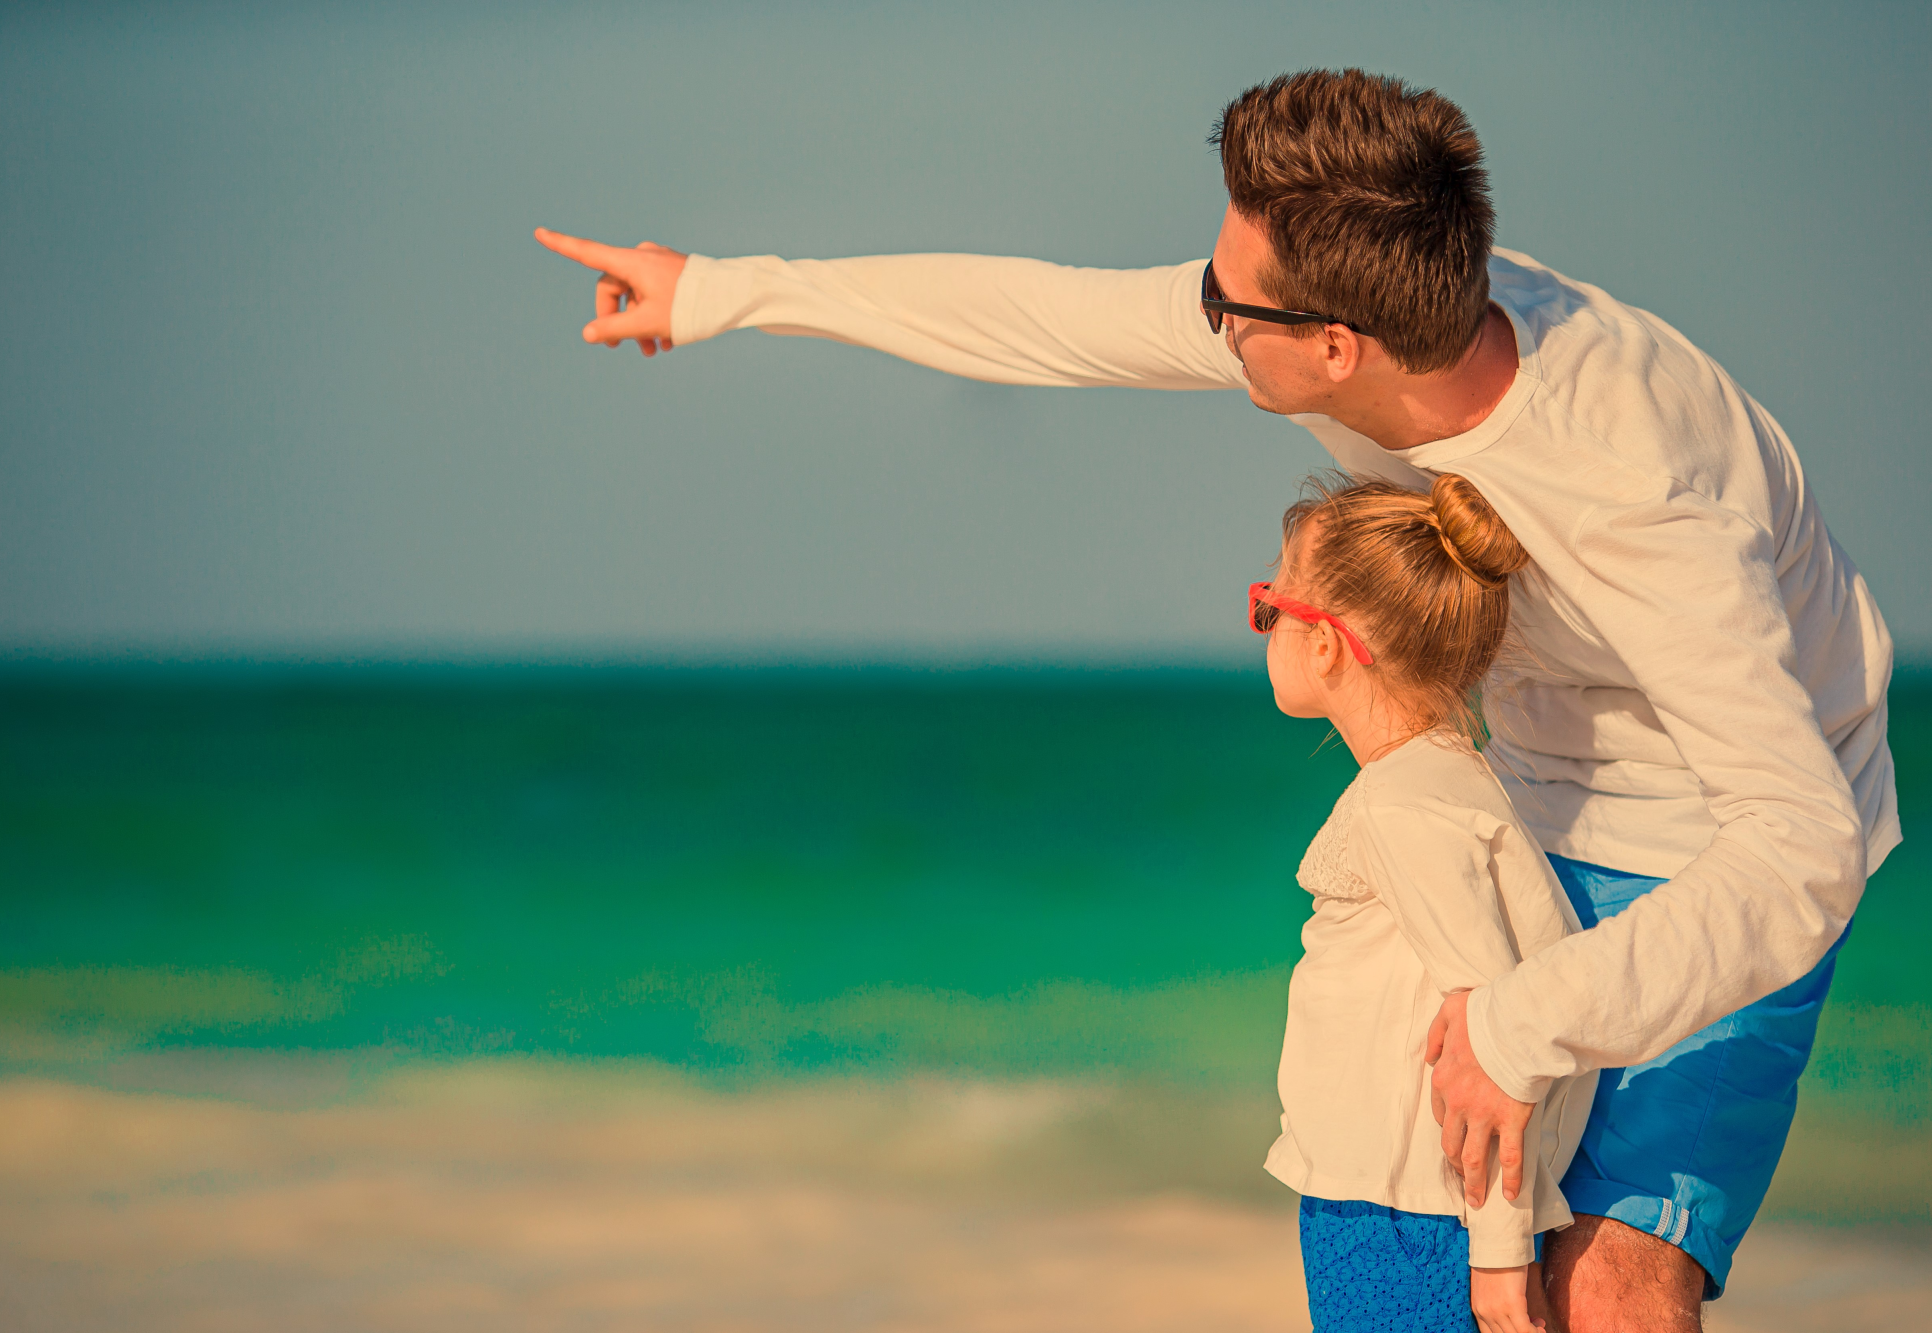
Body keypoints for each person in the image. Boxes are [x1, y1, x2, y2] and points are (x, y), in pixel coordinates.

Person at [533, 68, 1898, 1332]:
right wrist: (719, 288)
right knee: (1462, 1266)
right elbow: (1047, 319)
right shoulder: (1350, 324)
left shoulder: (1643, 497)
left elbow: (1800, 854)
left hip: (1720, 839)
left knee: (1606, 1287)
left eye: (1236, 303)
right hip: (1524, 795)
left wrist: (1511, 1027)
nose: (1207, 312)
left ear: (1340, 348)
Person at [1255, 471, 1597, 1333]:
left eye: (1269, 605)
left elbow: (1494, 1036)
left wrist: (1498, 1253)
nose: (1264, 625)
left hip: (1401, 1217)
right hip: (1406, 1209)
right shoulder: (1448, 777)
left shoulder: (1401, 805)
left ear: (1326, 643)